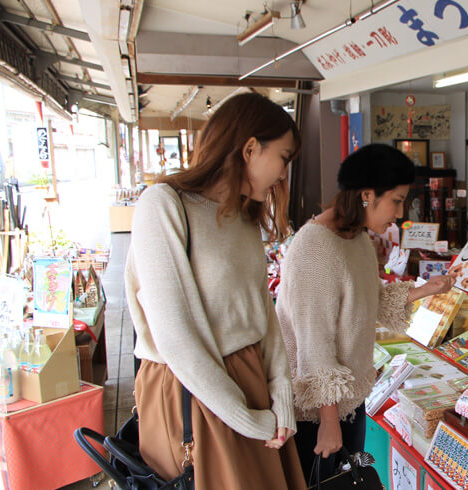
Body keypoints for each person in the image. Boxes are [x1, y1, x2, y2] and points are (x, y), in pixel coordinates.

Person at [125, 92, 306, 489]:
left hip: (248, 382)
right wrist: (245, 418)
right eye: (284, 157)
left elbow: (262, 312)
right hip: (191, 390)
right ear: (251, 148)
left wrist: (281, 396)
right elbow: (175, 337)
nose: (283, 173)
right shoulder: (164, 205)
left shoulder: (243, 215)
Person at [277, 143, 454, 482]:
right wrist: (328, 423)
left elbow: (369, 298)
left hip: (346, 400)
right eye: (397, 200)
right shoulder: (314, 248)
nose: (400, 214)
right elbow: (314, 345)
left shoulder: (356, 238)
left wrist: (427, 290)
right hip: (313, 413)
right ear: (368, 195)